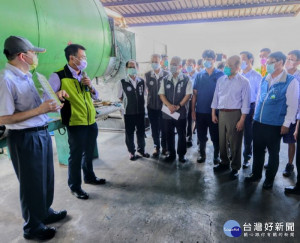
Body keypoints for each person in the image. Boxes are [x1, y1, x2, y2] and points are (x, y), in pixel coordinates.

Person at [0, 36, 67, 240]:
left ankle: (44, 213)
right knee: (31, 184)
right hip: (24, 138)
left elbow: (34, 108)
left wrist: (53, 100)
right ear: (23, 55)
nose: (35, 56)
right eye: (34, 53)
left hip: (40, 133)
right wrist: (40, 109)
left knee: (45, 178)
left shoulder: (27, 75)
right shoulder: (6, 80)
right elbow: (3, 117)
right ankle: (32, 227)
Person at [49, 44, 106, 200]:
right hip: (75, 122)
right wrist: (57, 94)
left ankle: (89, 177)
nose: (85, 60)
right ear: (72, 58)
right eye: (82, 57)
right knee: (75, 156)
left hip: (90, 121)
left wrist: (91, 87)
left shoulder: (84, 74)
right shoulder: (58, 76)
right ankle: (75, 186)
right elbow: (48, 97)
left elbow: (95, 96)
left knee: (88, 152)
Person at [245, 52, 299, 190]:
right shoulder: (265, 78)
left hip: (274, 124)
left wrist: (286, 124)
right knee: (257, 150)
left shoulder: (290, 81)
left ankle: (269, 179)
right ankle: (256, 174)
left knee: (273, 153)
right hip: (258, 122)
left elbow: (292, 105)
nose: (267, 65)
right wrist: (255, 117)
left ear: (280, 62)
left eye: (271, 62)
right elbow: (258, 99)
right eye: (267, 62)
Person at [211, 55, 251, 180]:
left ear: (238, 67)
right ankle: (224, 162)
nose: (227, 67)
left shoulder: (244, 82)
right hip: (221, 113)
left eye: (230, 65)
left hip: (235, 114)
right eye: (226, 64)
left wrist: (242, 119)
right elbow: (216, 97)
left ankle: (235, 167)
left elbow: (246, 102)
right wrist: (213, 113)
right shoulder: (221, 80)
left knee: (235, 142)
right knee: (222, 141)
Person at [192, 50, 224, 164]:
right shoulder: (199, 75)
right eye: (204, 59)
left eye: (209, 59)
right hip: (200, 111)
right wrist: (193, 110)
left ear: (214, 60)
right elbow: (194, 95)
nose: (206, 61)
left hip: (215, 113)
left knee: (216, 136)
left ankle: (216, 155)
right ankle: (202, 153)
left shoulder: (221, 75)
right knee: (201, 135)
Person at [159, 56, 192, 163]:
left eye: (175, 64)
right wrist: (169, 105)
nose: (172, 66)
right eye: (171, 64)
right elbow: (161, 94)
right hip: (168, 113)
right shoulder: (165, 79)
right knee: (169, 134)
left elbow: (188, 95)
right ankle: (171, 154)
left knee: (181, 134)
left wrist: (178, 106)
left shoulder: (186, 79)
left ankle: (181, 155)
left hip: (181, 112)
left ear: (180, 66)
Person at [117, 60, 150, 160]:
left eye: (134, 67)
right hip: (129, 112)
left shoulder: (142, 81)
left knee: (141, 132)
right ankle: (131, 152)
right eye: (130, 67)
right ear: (126, 69)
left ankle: (141, 150)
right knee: (129, 133)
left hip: (140, 112)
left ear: (137, 68)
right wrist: (129, 103)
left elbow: (145, 94)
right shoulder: (122, 82)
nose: (132, 69)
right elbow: (120, 97)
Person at [240, 51, 262, 168]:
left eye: (243, 59)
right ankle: (234, 156)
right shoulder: (237, 75)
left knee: (248, 135)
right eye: (240, 59)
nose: (241, 61)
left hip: (250, 107)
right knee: (235, 133)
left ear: (250, 60)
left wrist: (255, 111)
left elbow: (259, 96)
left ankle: (247, 158)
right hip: (237, 107)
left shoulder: (257, 77)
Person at [145, 54, 169, 157]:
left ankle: (165, 147)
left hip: (164, 107)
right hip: (151, 107)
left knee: (164, 128)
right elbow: (146, 91)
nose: (155, 63)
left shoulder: (167, 75)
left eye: (157, 61)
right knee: (154, 128)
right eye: (153, 61)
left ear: (161, 62)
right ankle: (156, 147)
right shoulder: (147, 75)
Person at [282, 50, 300, 177]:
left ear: (298, 62)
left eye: (291, 59)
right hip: (280, 113)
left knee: (291, 141)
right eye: (287, 58)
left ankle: (289, 164)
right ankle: (273, 161)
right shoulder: (281, 75)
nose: (288, 61)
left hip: (294, 115)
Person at [186, 58, 198, 147]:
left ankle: (199, 141)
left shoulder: (198, 76)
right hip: (187, 101)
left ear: (194, 66)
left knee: (195, 119)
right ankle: (188, 136)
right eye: (187, 65)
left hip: (196, 101)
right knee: (188, 120)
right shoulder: (186, 77)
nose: (188, 67)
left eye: (190, 65)